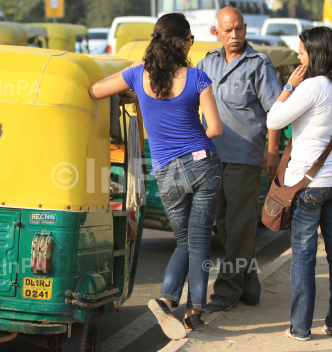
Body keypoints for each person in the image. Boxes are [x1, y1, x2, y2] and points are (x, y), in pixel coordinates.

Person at [89, 13, 223, 339]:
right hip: (203, 164)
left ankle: (169, 299)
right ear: (180, 42)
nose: (191, 44)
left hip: (166, 172)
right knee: (199, 238)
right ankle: (192, 311)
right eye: (190, 39)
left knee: (185, 241)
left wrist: (138, 90)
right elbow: (215, 128)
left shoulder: (137, 74)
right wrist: (195, 134)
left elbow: (95, 90)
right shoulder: (197, 77)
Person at [267, 27, 332, 341]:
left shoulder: (311, 87)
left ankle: (300, 327)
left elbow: (273, 120)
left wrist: (288, 87)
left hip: (308, 186)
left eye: (303, 52)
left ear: (316, 54)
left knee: (304, 256)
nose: (299, 58)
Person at [195, 6, 282, 311]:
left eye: (239, 29)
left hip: (245, 156)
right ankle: (250, 287)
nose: (235, 35)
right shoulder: (207, 63)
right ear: (215, 33)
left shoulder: (258, 65)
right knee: (226, 226)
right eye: (228, 30)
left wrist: (272, 152)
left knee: (240, 224)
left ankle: (227, 290)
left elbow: (275, 112)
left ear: (245, 29)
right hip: (212, 157)